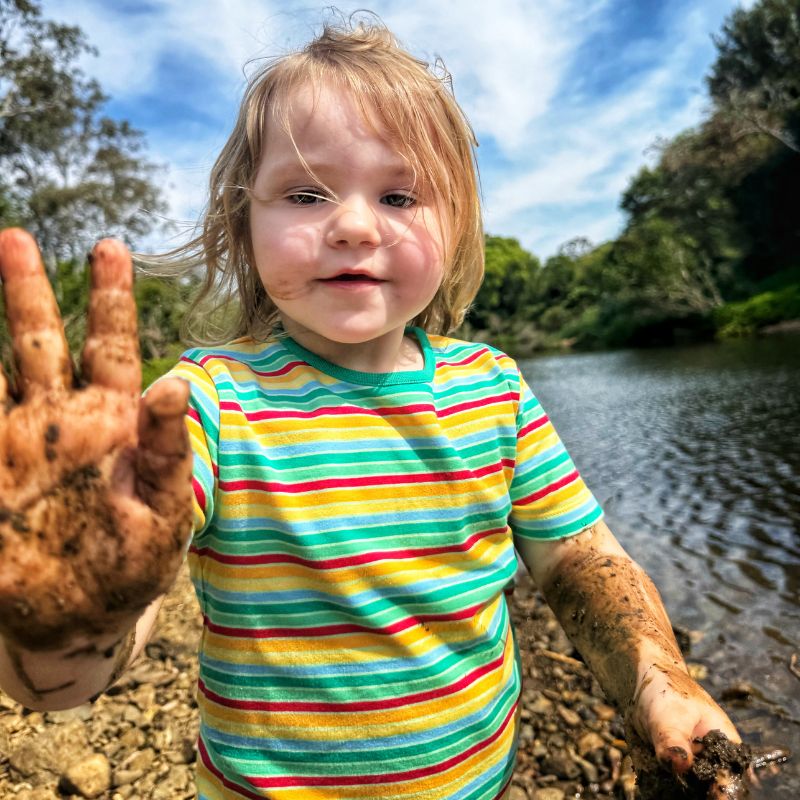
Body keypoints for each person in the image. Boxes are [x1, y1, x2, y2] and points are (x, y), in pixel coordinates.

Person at [0, 17, 740, 800]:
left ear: (454, 226)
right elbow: (86, 655)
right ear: (244, 222)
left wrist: (660, 680)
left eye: (398, 194)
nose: (353, 225)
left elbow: (581, 559)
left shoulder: (495, 390)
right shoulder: (205, 403)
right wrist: (71, 612)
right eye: (306, 193)